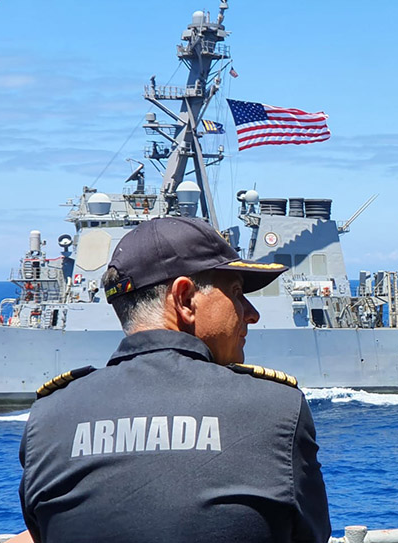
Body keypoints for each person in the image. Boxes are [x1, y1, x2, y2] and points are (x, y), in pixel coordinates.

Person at [18, 216, 331, 543]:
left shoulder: (47, 419)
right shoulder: (277, 409)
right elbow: (311, 535)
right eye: (236, 292)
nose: (251, 313)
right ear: (184, 299)